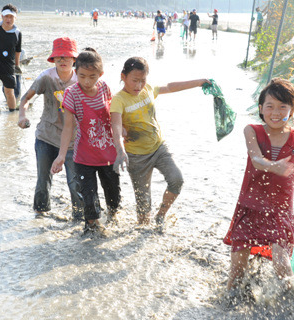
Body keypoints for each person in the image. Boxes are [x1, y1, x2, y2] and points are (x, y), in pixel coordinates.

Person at [223, 78, 294, 300]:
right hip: (249, 207)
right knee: (236, 273)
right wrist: (275, 166)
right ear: (261, 109)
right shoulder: (251, 130)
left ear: (291, 111)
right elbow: (256, 159)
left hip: (280, 210)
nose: (276, 112)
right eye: (270, 106)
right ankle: (228, 306)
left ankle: (293, 305)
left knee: (283, 265)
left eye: (283, 106)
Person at [110, 57, 208, 229]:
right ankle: (144, 235)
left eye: (143, 80)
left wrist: (199, 82)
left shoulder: (148, 89)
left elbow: (170, 87)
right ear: (123, 77)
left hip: (158, 148)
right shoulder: (119, 100)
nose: (139, 86)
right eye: (134, 80)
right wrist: (120, 150)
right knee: (143, 207)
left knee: (176, 180)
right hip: (136, 157)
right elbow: (116, 126)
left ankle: (161, 215)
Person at [51, 48, 120, 237]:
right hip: (83, 157)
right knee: (89, 201)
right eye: (82, 76)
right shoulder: (71, 94)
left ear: (101, 74)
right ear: (76, 71)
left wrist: (123, 141)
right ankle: (91, 233)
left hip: (108, 155)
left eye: (92, 76)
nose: (87, 82)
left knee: (113, 199)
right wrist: (61, 155)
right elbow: (68, 128)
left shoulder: (105, 88)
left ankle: (113, 224)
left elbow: (115, 118)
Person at [17, 37, 85, 220]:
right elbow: (25, 99)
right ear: (53, 59)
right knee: (43, 181)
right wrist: (22, 115)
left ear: (74, 60)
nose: (62, 61)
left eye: (67, 57)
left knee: (75, 183)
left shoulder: (81, 78)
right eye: (58, 57)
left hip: (73, 140)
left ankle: (79, 220)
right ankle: (39, 218)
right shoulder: (46, 77)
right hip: (46, 136)